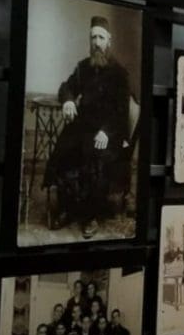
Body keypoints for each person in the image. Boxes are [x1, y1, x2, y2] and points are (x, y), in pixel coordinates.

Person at [44, 17, 132, 239]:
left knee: (96, 159)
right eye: (93, 37)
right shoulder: (83, 67)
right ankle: (68, 209)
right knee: (64, 150)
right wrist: (68, 100)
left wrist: (107, 131)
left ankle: (91, 215)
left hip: (108, 130)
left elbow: (122, 111)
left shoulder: (119, 73)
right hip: (83, 127)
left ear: (109, 41)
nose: (96, 42)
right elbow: (66, 86)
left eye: (101, 37)